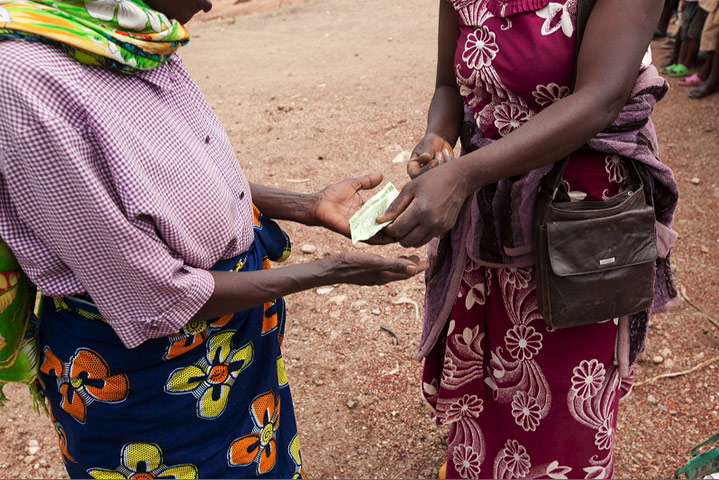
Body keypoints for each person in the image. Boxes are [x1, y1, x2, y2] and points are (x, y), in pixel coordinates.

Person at [0, 1, 423, 478]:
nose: (209, 3)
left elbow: (169, 187)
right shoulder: (26, 79)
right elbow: (151, 295)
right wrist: (331, 272)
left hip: (232, 344)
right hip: (142, 374)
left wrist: (306, 206)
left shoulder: (132, 36)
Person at [377, 0, 679, 478]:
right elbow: (447, 86)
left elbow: (601, 96)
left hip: (575, 227)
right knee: (487, 375)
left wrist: (463, 178)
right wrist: (438, 137)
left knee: (564, 394)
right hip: (489, 212)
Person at [664, 0, 710, 76]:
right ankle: (680, 62)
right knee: (685, 29)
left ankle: (688, 64)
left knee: (693, 33)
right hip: (690, 2)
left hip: (705, 4)